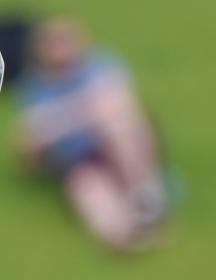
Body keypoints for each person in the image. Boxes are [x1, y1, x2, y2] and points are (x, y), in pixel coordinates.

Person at [14, 17, 169, 251]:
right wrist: (83, 112)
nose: (59, 49)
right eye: (52, 43)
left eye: (64, 41)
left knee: (118, 128)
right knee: (85, 185)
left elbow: (123, 106)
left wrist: (59, 121)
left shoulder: (102, 66)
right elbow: (27, 145)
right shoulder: (37, 87)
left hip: (117, 145)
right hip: (79, 159)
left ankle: (146, 202)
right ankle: (123, 235)